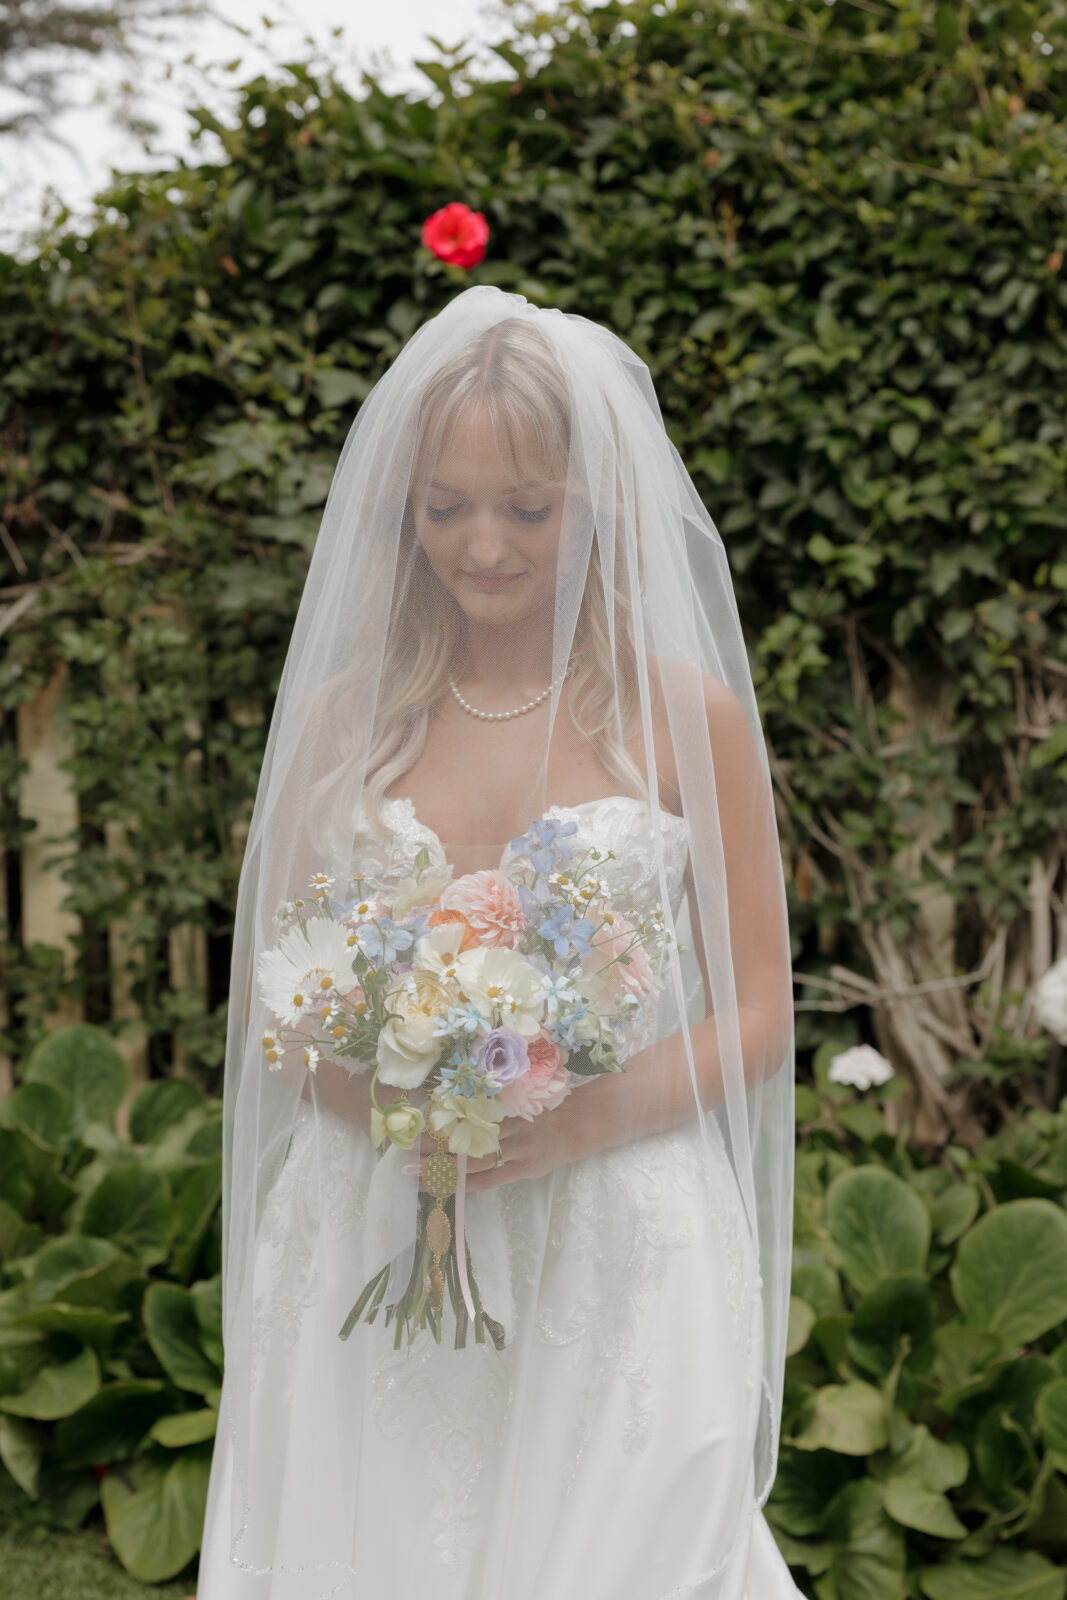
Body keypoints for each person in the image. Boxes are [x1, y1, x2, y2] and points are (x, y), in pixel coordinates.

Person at [196, 287, 800, 1598]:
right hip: (379, 1207)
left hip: (619, 1221)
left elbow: (761, 1013)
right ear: (401, 512)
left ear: (598, 505)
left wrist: (576, 1121)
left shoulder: (684, 719)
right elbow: (282, 1006)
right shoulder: (347, 723)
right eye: (445, 505)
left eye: (528, 507)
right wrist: (394, 1102)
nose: (484, 545)